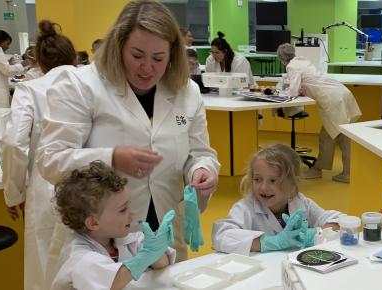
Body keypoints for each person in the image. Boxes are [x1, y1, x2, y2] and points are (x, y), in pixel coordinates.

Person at [37, 0, 220, 262]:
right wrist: (111, 158)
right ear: (118, 46)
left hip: (164, 224)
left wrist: (202, 170)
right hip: (101, 234)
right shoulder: (80, 86)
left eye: (158, 58)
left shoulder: (186, 91)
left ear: (173, 54)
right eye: (137, 55)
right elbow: (50, 160)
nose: (147, 68)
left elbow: (199, 152)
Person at [0, 19, 78, 290]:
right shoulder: (92, 86)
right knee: (93, 265)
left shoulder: (30, 90)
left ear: (40, 63)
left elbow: (13, 143)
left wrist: (13, 192)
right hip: (94, 188)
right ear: (74, 58)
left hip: (46, 189)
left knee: (44, 267)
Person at [50, 161, 175, 290]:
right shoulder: (78, 256)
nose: (132, 212)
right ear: (94, 223)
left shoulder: (128, 240)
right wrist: (145, 257)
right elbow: (112, 283)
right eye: (123, 209)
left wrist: (157, 251)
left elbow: (161, 266)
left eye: (129, 204)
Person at [212, 144, 343, 255]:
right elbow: (221, 236)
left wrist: (315, 234)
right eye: (257, 179)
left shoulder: (300, 202)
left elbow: (339, 221)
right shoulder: (245, 208)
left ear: (293, 184)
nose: (263, 187)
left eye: (273, 181)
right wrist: (270, 242)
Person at [275, 43, 361, 183]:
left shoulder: (291, 66)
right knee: (335, 136)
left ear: (282, 59)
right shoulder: (303, 60)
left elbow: (293, 91)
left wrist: (286, 89)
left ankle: (341, 173)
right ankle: (326, 169)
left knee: (338, 138)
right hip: (341, 92)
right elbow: (311, 81)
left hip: (332, 99)